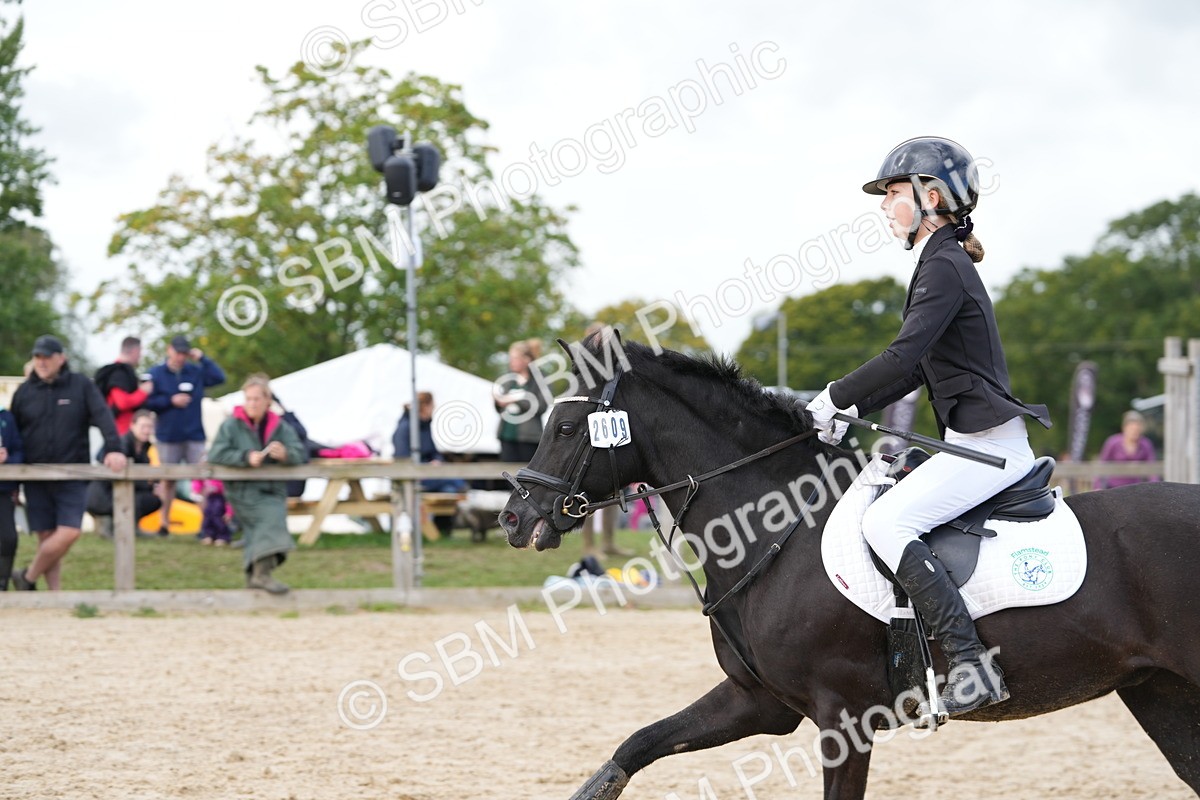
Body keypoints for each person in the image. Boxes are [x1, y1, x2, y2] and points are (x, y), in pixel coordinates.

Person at [806, 137, 1052, 719]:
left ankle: (970, 665)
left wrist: (835, 396)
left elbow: (901, 355)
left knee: (888, 520)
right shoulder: (938, 261)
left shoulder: (943, 264)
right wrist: (850, 411)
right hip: (974, 443)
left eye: (893, 193)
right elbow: (916, 368)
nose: (885, 204)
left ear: (931, 196)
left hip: (990, 448)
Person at [9, 335, 127, 591]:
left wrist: (114, 448)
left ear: (61, 358)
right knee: (46, 537)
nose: (41, 362)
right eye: (37, 357)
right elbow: (14, 437)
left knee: (69, 532)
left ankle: (27, 576)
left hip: (72, 473)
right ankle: (54, 596)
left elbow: (103, 416)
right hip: (34, 476)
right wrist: (13, 482)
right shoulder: (24, 392)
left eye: (47, 357)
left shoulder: (81, 385)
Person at [206, 374, 307, 594]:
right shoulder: (231, 425)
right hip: (242, 491)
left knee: (262, 527)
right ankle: (262, 575)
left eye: (256, 399)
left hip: (272, 489)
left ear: (267, 401)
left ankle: (255, 577)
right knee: (270, 521)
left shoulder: (279, 426)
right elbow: (216, 454)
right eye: (248, 399)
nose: (252, 403)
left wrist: (285, 454)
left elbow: (300, 451)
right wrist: (245, 457)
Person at [143, 335, 226, 536]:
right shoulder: (156, 373)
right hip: (167, 436)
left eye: (184, 353)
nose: (180, 357)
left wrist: (203, 358)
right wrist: (170, 401)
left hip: (194, 435)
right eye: (178, 352)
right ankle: (164, 523)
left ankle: (207, 525)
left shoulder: (195, 371)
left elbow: (219, 378)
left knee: (201, 480)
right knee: (167, 481)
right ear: (169, 350)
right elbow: (147, 401)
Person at [393, 392, 469, 537]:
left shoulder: (425, 427)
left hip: (430, 474)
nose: (434, 408)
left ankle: (442, 531)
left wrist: (436, 461)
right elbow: (402, 458)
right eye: (432, 405)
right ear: (425, 406)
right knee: (452, 481)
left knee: (449, 489)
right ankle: (465, 488)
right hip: (414, 477)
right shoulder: (405, 427)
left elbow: (433, 452)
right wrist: (426, 465)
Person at [84, 409, 163, 539]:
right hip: (102, 494)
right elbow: (108, 471)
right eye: (143, 426)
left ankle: (130, 527)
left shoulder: (145, 449)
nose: (147, 430)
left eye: (150, 427)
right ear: (132, 425)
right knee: (137, 496)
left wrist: (152, 484)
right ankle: (109, 523)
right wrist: (146, 482)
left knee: (151, 499)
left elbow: (145, 476)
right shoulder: (120, 444)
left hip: (120, 491)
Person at [494, 339, 547, 462]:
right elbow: (499, 408)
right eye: (510, 358)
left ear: (526, 359)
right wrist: (498, 401)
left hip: (529, 438)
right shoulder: (508, 378)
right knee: (506, 477)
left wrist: (515, 400)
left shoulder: (539, 378)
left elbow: (541, 407)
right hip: (506, 435)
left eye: (515, 358)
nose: (511, 362)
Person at [93, 336, 154, 435]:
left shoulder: (124, 371)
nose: (140, 356)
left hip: (124, 429)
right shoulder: (118, 372)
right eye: (140, 352)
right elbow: (122, 402)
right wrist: (143, 392)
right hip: (120, 430)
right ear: (135, 351)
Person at [1094, 410, 1159, 489]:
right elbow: (1102, 464)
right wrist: (1097, 486)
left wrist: (1154, 487)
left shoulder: (1145, 444)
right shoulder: (1113, 442)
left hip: (1135, 488)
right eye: (1132, 429)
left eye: (1137, 430)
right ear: (1124, 428)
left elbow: (1152, 468)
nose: (1134, 432)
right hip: (1113, 488)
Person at [0, 405, 25, 591]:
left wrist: (8, 458)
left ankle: (2, 583)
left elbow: (20, 451)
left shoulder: (7, 417)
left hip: (3, 488)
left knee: (8, 538)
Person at [191, 478, 232, 546]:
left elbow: (228, 496)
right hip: (208, 496)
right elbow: (197, 480)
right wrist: (196, 490)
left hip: (219, 496)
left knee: (217, 514)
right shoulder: (203, 472)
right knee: (207, 515)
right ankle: (208, 535)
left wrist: (229, 512)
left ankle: (222, 536)